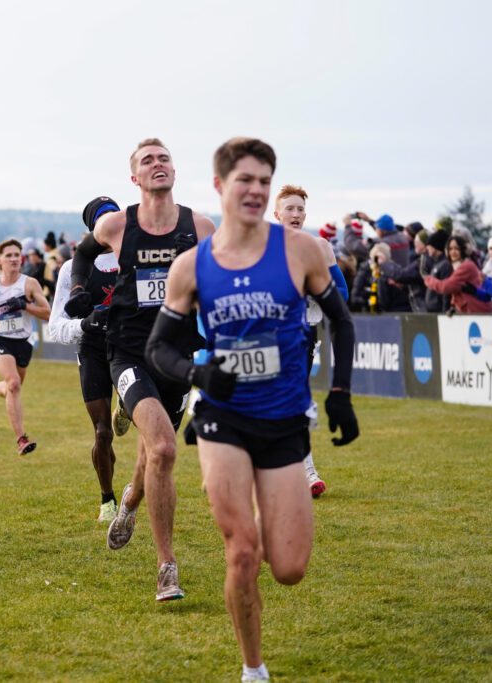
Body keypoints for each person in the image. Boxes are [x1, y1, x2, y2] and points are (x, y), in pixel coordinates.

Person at [147, 137, 359, 682]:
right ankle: (253, 669)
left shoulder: (302, 251)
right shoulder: (193, 267)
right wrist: (198, 375)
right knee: (241, 552)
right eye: (246, 180)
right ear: (220, 186)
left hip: (285, 417)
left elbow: (341, 320)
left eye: (265, 180)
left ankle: (272, 513)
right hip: (222, 417)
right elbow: (159, 349)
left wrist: (340, 394)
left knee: (288, 568)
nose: (257, 190)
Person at [66, 137, 215, 601]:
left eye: (164, 158)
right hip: (129, 353)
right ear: (134, 178)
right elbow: (82, 254)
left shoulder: (201, 225)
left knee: (155, 452)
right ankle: (166, 567)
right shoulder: (116, 224)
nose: (157, 165)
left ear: (174, 170)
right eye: (147, 161)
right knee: (166, 449)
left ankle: (130, 501)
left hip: (177, 354)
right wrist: (77, 290)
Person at [47, 211, 126, 521]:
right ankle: (107, 498)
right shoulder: (72, 268)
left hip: (127, 348)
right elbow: (56, 326)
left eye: (115, 217)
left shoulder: (132, 257)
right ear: (93, 228)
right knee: (102, 432)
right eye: (103, 220)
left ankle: (128, 406)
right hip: (92, 350)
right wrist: (86, 324)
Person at [273, 185, 349, 498]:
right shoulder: (263, 247)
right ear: (276, 213)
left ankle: (305, 471)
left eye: (300, 209)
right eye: (289, 208)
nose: (295, 214)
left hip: (302, 335)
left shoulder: (320, 247)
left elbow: (341, 294)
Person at [0, 239, 51, 454]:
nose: (14, 259)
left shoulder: (29, 284)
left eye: (17, 255)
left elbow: (47, 313)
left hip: (23, 343)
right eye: (8, 255)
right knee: (14, 383)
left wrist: (25, 305)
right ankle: (21, 439)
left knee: (12, 388)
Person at [423, 234, 492, 313]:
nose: (453, 252)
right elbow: (457, 292)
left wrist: (428, 279)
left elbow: (446, 286)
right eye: (450, 249)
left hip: (479, 312)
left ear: (462, 250)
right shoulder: (455, 266)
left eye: (456, 248)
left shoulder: (466, 266)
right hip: (469, 312)